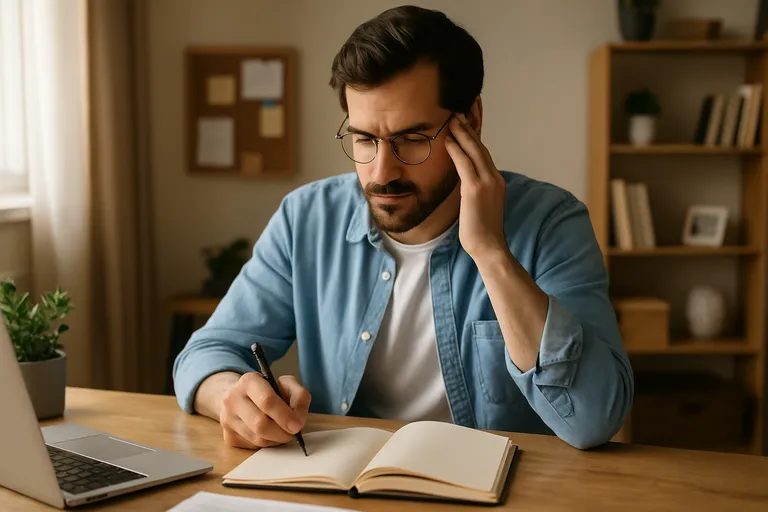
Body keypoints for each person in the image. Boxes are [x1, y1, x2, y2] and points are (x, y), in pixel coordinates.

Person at [173, 5, 633, 450]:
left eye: (412, 139)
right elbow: (207, 353)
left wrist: (491, 252)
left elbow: (594, 419)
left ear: (470, 121)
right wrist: (233, 398)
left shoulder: (551, 222)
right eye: (364, 139)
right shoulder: (306, 218)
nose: (381, 172)